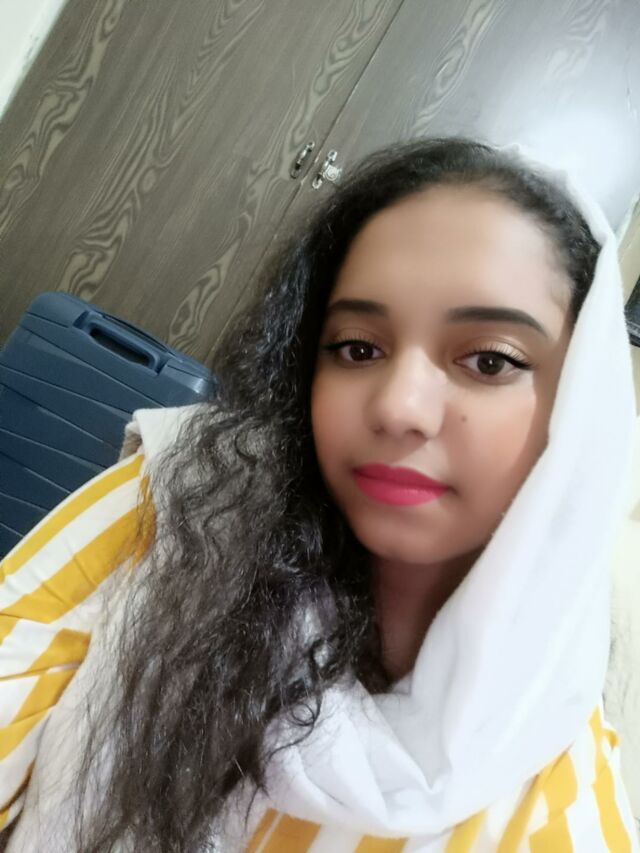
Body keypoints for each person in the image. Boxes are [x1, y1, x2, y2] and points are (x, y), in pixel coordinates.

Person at [0, 136, 637, 852]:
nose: (398, 406)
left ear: (580, 408)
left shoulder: (553, 805)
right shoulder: (192, 502)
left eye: (489, 361)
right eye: (358, 348)